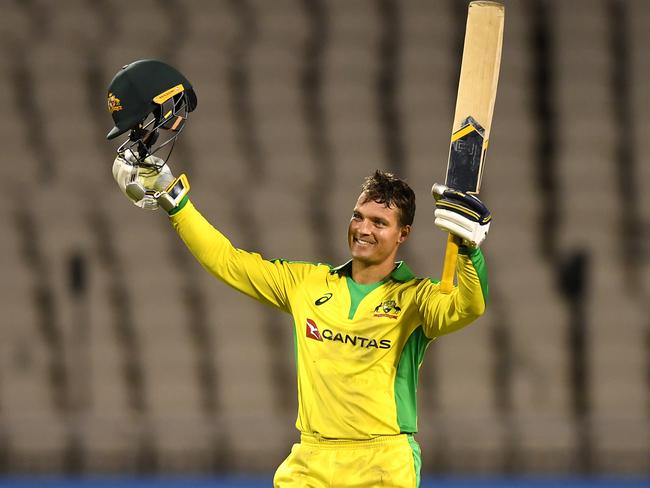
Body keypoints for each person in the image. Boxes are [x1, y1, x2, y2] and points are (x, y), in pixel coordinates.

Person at [107, 60, 491, 488]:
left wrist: (469, 249)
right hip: (311, 459)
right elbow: (228, 261)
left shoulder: (415, 299)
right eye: (358, 216)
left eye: (378, 223)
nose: (363, 229)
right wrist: (174, 203)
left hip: (382, 461)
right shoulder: (306, 283)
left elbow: (467, 307)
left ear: (403, 234)